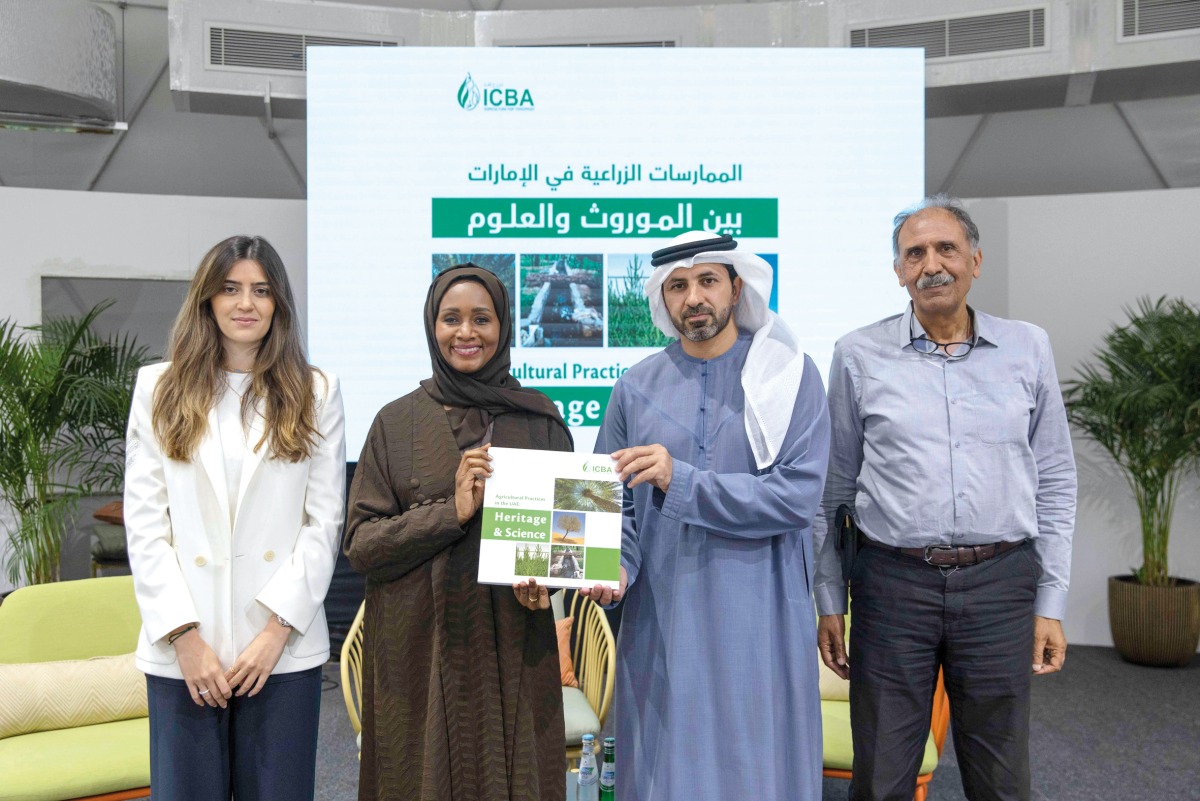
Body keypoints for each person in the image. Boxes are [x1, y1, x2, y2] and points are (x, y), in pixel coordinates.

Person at [814, 195, 1077, 801]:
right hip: (890, 584)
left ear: (975, 261)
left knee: (1002, 777)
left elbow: (1057, 479)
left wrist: (1052, 601)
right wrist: (829, 597)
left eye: (946, 249)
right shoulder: (857, 354)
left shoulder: (1028, 346)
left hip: (1001, 583)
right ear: (900, 271)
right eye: (915, 253)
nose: (931, 264)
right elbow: (834, 488)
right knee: (880, 775)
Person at [582, 231, 831, 800]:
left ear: (736, 286)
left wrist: (683, 478)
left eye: (707, 281)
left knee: (757, 767)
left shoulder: (790, 376)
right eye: (678, 286)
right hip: (665, 616)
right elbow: (610, 503)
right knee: (669, 768)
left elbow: (795, 497)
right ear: (663, 300)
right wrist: (612, 568)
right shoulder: (634, 387)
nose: (694, 297)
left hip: (761, 615)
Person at [124, 235, 346, 801]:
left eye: (261, 290)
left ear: (279, 305)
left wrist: (276, 633)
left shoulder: (316, 391)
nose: (246, 303)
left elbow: (323, 524)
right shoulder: (159, 387)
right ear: (207, 299)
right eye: (231, 289)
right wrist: (184, 638)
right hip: (184, 651)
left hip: (280, 651)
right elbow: (146, 525)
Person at [344, 264, 573, 801]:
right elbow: (362, 546)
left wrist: (546, 587)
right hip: (418, 650)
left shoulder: (541, 422)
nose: (466, 332)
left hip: (514, 644)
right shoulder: (394, 424)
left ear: (504, 327)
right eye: (451, 318)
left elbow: (562, 547)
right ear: (432, 326)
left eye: (482, 319)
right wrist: (453, 511)